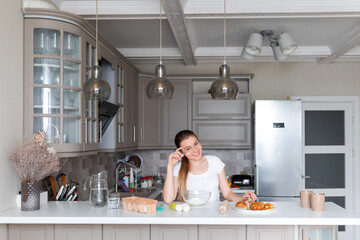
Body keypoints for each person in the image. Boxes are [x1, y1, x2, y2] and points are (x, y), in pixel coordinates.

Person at [163, 130, 257, 204]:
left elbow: (227, 194)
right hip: (189, 219)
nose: (195, 150)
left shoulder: (215, 162)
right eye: (188, 148)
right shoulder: (177, 169)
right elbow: (168, 199)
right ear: (181, 152)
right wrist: (170, 166)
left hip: (214, 217)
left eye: (196, 144)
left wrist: (242, 198)